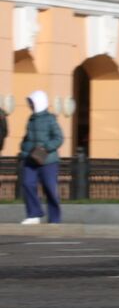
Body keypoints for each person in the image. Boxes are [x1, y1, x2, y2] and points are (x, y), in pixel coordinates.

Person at [18, 91, 63, 225]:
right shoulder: (31, 119)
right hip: (31, 160)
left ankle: (54, 218)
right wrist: (24, 149)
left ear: (39, 102)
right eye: (30, 102)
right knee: (27, 183)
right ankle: (34, 214)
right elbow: (27, 139)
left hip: (48, 161)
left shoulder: (50, 119)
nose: (30, 105)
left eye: (32, 102)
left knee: (49, 187)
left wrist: (46, 148)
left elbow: (58, 138)